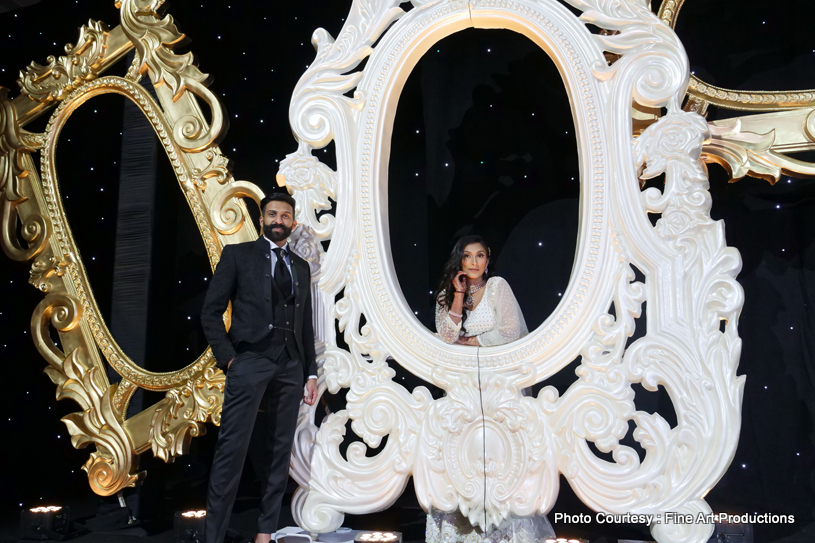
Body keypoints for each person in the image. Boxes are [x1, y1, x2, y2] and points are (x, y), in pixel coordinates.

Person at [201, 192, 319, 543]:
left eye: (285, 215)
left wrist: (310, 372)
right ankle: (213, 536)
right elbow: (210, 312)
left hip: (291, 365)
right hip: (249, 361)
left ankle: (265, 532)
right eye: (272, 214)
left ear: (293, 223)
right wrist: (230, 358)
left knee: (279, 452)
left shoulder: (300, 266)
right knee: (231, 451)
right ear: (262, 220)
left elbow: (306, 324)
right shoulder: (238, 256)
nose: (278, 220)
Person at [435, 235, 527, 346]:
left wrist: (467, 341)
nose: (474, 262)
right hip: (458, 362)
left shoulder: (496, 286)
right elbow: (448, 337)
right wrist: (459, 294)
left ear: (487, 262)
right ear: (459, 261)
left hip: (495, 361)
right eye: (467, 256)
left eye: (480, 255)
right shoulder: (446, 294)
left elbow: (510, 332)